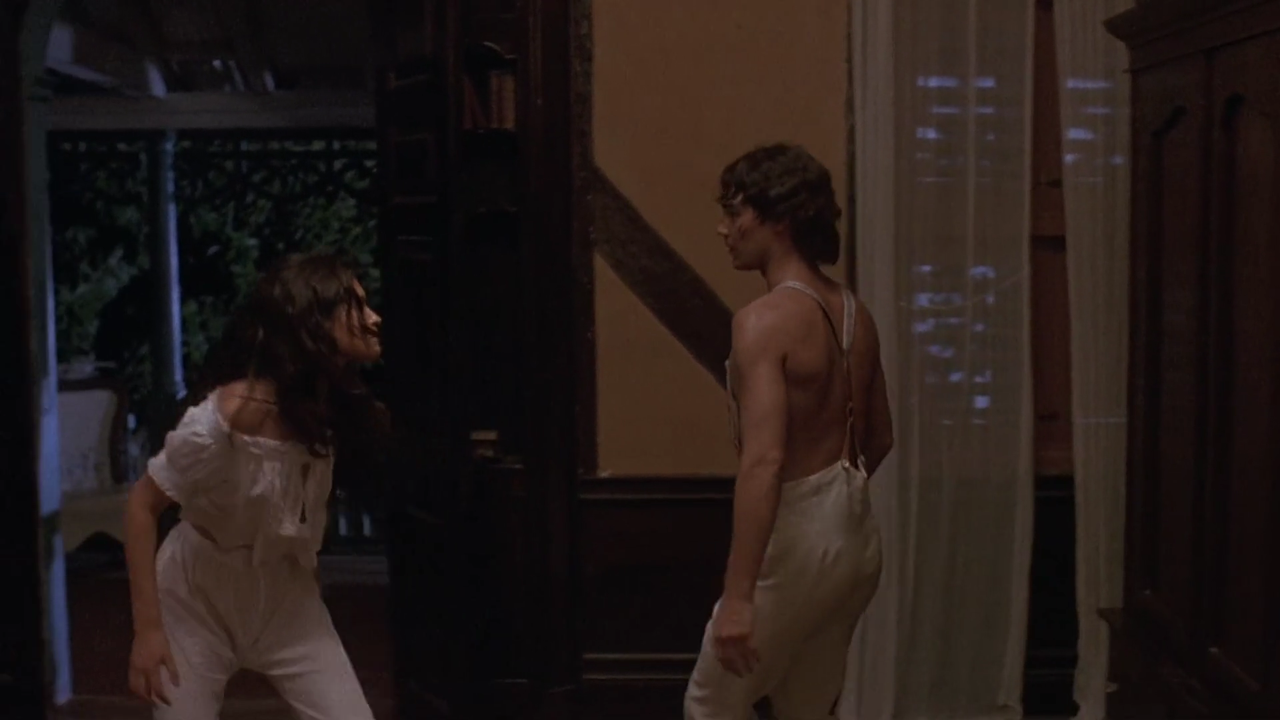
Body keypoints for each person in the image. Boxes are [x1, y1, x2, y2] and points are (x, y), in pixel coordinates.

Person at [123, 252, 387, 720]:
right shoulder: (230, 418)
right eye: (357, 307)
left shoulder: (328, 405)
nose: (373, 318)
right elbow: (141, 506)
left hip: (285, 594)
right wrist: (148, 631)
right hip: (196, 595)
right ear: (315, 323)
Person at [684, 143, 894, 720]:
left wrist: (738, 598)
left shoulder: (763, 322)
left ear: (778, 219)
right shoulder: (855, 313)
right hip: (855, 536)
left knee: (709, 706)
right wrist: (833, 504)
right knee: (807, 706)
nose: (724, 228)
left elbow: (764, 462)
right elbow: (880, 438)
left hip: (798, 535)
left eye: (735, 211)